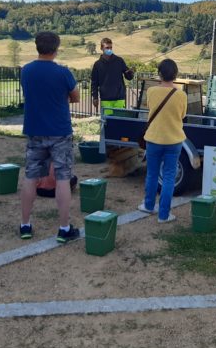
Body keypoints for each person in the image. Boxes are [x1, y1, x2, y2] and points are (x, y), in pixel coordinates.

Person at [19, 31, 81, 243]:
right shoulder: (63, 73)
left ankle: (25, 225)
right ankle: (64, 228)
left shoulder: (26, 71)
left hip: (35, 129)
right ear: (56, 48)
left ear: (37, 47)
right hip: (60, 131)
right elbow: (75, 97)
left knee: (30, 177)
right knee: (63, 178)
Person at [137, 58, 187, 223]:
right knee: (169, 176)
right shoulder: (181, 95)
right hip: (174, 140)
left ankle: (148, 205)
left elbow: (150, 108)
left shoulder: (151, 91)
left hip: (154, 138)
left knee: (152, 173)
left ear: (159, 74)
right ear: (175, 74)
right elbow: (182, 116)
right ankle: (164, 215)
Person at [91, 37, 134, 114]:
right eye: (107, 48)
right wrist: (95, 97)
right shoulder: (97, 65)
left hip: (119, 98)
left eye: (111, 47)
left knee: (119, 121)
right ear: (101, 48)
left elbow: (128, 77)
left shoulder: (119, 60)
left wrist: (131, 73)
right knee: (107, 122)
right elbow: (94, 83)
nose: (109, 50)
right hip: (105, 99)